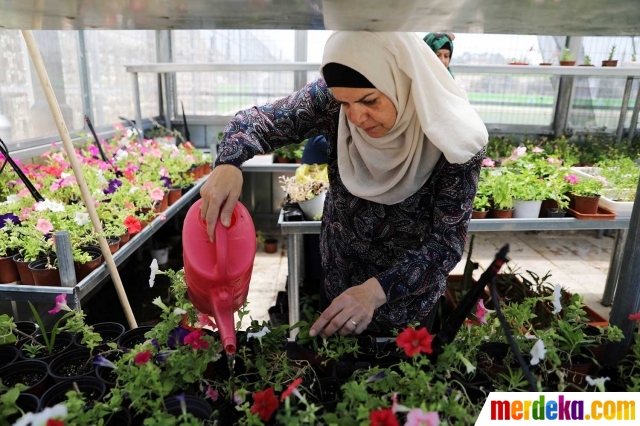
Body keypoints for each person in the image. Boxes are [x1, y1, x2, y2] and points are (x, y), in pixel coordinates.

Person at [200, 32, 488, 338]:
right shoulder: (335, 100)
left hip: (408, 305)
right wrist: (229, 162)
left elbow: (446, 243)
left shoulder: (455, 139)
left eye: (370, 101)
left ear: (402, 83)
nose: (356, 117)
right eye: (344, 103)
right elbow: (257, 121)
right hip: (340, 288)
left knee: (402, 380)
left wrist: (375, 292)